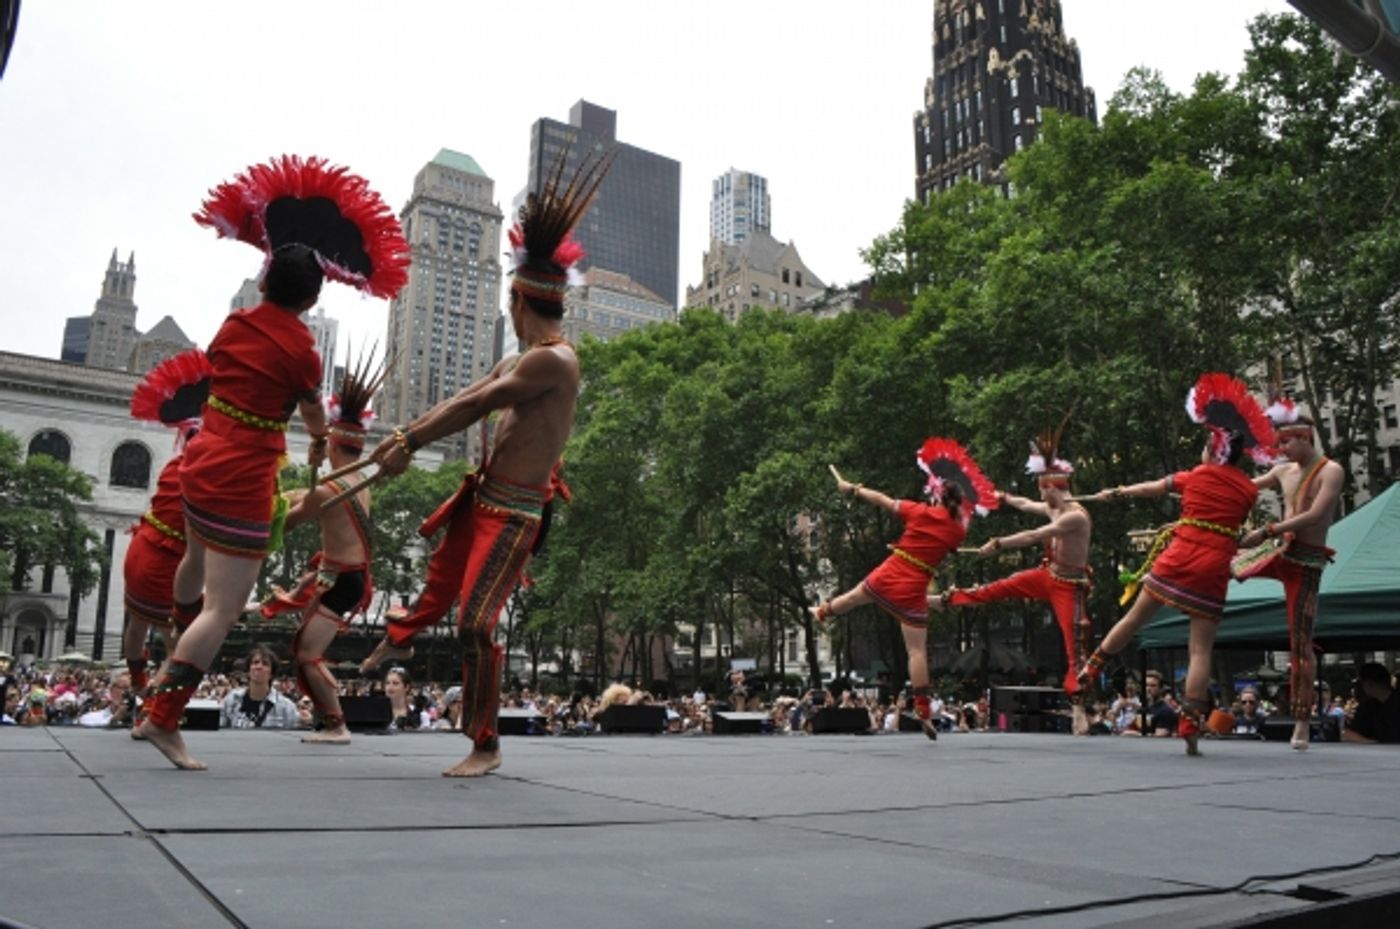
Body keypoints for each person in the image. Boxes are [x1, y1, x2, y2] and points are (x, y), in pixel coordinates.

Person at [137, 155, 408, 770]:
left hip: (200, 467)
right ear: (313, 299)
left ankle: (161, 673)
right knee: (223, 608)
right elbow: (312, 416)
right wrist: (315, 439)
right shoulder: (304, 354)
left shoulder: (232, 325)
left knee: (195, 559)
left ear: (263, 283)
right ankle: (162, 716)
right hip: (241, 479)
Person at [357, 151, 612, 778]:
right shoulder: (526, 357)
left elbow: (479, 401)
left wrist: (409, 441)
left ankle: (486, 743)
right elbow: (470, 394)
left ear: (520, 302)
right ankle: (403, 632)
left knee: (475, 622)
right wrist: (403, 435)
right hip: (483, 496)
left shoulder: (552, 361)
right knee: (441, 583)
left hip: (517, 512)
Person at [1078, 373, 1274, 756]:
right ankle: (1189, 721)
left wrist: (1116, 492)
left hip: (1179, 557)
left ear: (1214, 449)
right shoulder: (1249, 490)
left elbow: (1153, 486)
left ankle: (1092, 669)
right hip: (1214, 566)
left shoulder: (1196, 475)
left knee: (1134, 618)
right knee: (1199, 650)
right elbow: (1235, 511)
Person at [811, 438, 998, 740]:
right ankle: (923, 709)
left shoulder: (919, 511)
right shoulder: (958, 530)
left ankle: (822, 611)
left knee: (856, 597)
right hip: (915, 585)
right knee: (916, 651)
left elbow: (883, 501)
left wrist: (853, 489)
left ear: (936, 495)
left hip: (894, 571)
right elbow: (939, 546)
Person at [262, 351, 386, 745]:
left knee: (306, 654)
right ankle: (332, 720)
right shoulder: (358, 482)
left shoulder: (330, 488)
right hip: (342, 575)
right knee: (305, 649)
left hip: (343, 581)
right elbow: (305, 496)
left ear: (331, 447)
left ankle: (336, 724)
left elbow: (290, 519)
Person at [933, 420, 1093, 721]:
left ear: (1052, 487)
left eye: (1042, 489)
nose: (1040, 495)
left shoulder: (1075, 517)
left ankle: (1080, 707)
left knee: (1075, 645)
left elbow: (1034, 535)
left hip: (1069, 584)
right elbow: (1024, 505)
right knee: (997, 588)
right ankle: (946, 600)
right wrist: (1001, 497)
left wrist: (999, 543)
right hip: (1049, 573)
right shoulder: (1054, 507)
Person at [1236, 397, 1344, 750]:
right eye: (1277, 443)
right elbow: (1247, 489)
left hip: (1306, 561)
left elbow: (1315, 516)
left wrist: (1266, 531)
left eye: (1285, 442)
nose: (1280, 450)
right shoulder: (1282, 472)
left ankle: (1301, 720)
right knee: (1224, 561)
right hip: (1279, 550)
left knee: (1299, 642)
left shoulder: (1331, 470)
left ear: (1305, 437)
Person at [123, 349, 213, 699]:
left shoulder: (173, 466)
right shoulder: (201, 474)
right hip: (165, 562)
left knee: (137, 623)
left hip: (141, 548)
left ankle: (138, 687)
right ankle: (159, 707)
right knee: (177, 641)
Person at [220, 645, 300, 730]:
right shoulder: (232, 699)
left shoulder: (286, 707)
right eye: (255, 662)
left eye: (265, 664)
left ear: (271, 674)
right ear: (248, 671)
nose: (259, 667)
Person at [1343, 663, 1400, 744]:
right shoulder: (1366, 708)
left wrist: (1368, 742)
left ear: (1369, 684)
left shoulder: (1395, 705)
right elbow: (1352, 733)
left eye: (1362, 684)